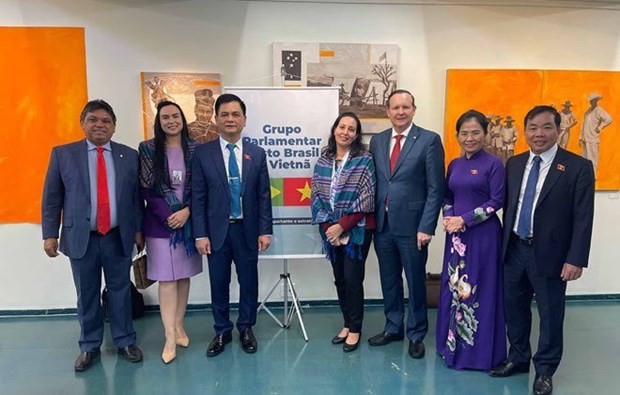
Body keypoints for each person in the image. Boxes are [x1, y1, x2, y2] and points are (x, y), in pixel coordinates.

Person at [489, 105, 595, 395]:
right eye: (533, 128)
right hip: (514, 250)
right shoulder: (514, 163)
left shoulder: (577, 167)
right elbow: (509, 206)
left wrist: (575, 259)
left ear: (558, 130)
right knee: (515, 310)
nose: (539, 134)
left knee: (550, 316)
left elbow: (583, 217)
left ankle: (545, 370)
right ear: (524, 132)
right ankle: (518, 358)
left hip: (551, 255)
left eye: (547, 127)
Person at [42, 100, 144, 371]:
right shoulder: (63, 154)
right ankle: (89, 346)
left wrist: (138, 231)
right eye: (93, 120)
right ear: (82, 123)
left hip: (117, 236)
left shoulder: (128, 155)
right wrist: (50, 234)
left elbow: (136, 198)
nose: (100, 125)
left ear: (114, 126)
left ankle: (124, 340)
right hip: (81, 238)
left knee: (120, 291)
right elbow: (52, 198)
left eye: (106, 121)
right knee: (86, 294)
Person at [192, 93, 273, 357]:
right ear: (216, 119)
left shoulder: (257, 154)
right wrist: (200, 234)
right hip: (216, 233)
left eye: (235, 114)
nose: (230, 119)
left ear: (244, 119)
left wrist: (265, 230)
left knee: (249, 283)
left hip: (247, 231)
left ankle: (247, 328)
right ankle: (222, 330)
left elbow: (263, 196)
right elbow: (198, 197)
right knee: (219, 283)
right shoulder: (202, 154)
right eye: (224, 114)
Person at [368, 89, 445, 359]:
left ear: (414, 109)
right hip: (383, 224)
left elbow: (436, 188)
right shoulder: (377, 141)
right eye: (395, 107)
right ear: (387, 111)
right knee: (389, 280)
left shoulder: (429, 140)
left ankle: (416, 334)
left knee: (415, 281)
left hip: (414, 227)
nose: (400, 112)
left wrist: (427, 226)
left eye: (406, 107)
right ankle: (393, 327)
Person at [435, 110, 506, 370]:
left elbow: (496, 201)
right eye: (464, 133)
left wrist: (464, 219)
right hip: (455, 237)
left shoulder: (494, 164)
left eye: (475, 132)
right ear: (456, 136)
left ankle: (478, 354)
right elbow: (446, 197)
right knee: (454, 289)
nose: (469, 138)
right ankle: (451, 347)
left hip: (483, 236)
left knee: (479, 289)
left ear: (486, 134)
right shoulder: (454, 164)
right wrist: (449, 218)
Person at [138, 101, 202, 364]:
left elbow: (202, 187)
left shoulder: (195, 149)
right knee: (167, 280)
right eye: (165, 117)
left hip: (188, 222)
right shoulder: (148, 148)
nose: (171, 121)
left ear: (183, 119)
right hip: (159, 224)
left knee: (184, 276)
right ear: (159, 121)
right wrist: (168, 214)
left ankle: (178, 326)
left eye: (176, 116)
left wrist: (187, 211)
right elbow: (145, 188)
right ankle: (168, 336)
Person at [311, 112, 376, 353]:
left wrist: (342, 225)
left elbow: (367, 198)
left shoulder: (364, 160)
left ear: (357, 135)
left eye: (351, 129)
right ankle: (347, 324)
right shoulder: (324, 160)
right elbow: (316, 196)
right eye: (342, 127)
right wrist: (330, 229)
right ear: (334, 129)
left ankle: (356, 328)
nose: (345, 132)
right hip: (331, 232)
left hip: (356, 230)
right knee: (339, 278)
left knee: (352, 280)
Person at [580, 92, 612, 174]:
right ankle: (585, 175)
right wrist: (581, 137)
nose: (592, 102)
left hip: (593, 138)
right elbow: (583, 125)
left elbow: (609, 119)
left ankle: (593, 175)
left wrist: (600, 127)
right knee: (584, 158)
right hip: (585, 138)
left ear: (596, 101)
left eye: (594, 100)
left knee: (592, 158)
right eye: (591, 100)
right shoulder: (587, 111)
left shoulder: (599, 110)